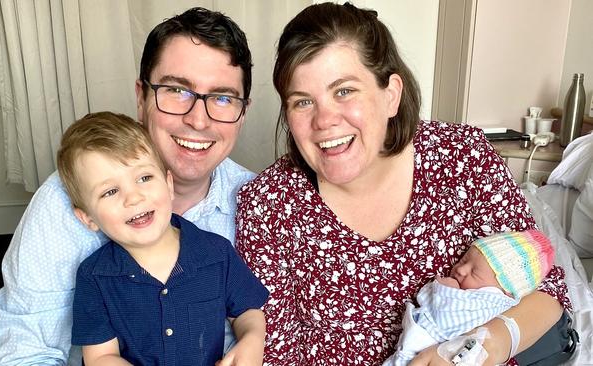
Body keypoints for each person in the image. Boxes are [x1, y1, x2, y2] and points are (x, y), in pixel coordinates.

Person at [235, 2, 571, 365]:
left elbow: (548, 288)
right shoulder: (269, 204)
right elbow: (277, 355)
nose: (324, 120)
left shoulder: (462, 158)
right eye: (302, 102)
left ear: (390, 94)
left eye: (344, 91)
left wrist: (489, 343)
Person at [0, 7, 255, 365]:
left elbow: (265, 321)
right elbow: (26, 347)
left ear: (243, 111)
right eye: (177, 90)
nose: (198, 119)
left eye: (223, 98)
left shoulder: (259, 202)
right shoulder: (62, 200)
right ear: (141, 96)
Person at [56, 112, 268, 365]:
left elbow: (247, 311)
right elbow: (101, 356)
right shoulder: (94, 277)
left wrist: (253, 338)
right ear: (87, 217)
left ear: (168, 184)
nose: (133, 198)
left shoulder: (216, 253)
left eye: (144, 178)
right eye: (110, 191)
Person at [383, 230, 554, 365]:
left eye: (474, 272)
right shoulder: (483, 290)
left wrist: (445, 290)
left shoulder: (489, 302)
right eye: (463, 260)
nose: (461, 270)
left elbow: (447, 318)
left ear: (502, 292)